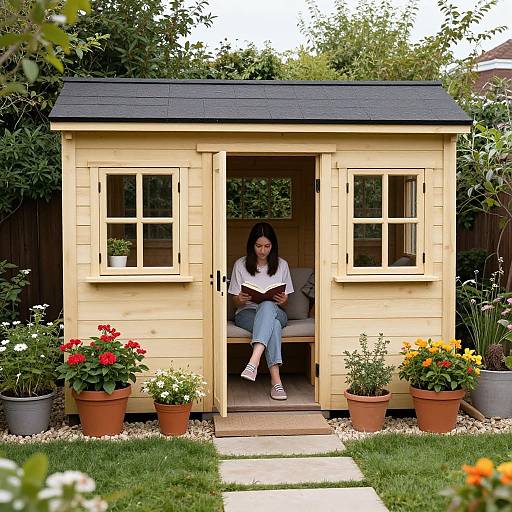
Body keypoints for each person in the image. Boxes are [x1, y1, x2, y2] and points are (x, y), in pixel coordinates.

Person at [228, 222, 294, 400]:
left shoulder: (282, 265)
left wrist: (284, 300)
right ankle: (277, 383)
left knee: (267, 305)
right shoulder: (240, 265)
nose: (263, 251)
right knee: (273, 326)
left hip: (276, 310)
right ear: (252, 245)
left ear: (273, 246)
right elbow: (235, 301)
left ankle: (253, 361)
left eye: (267, 246)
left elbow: (286, 302)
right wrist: (239, 299)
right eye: (258, 246)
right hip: (247, 313)